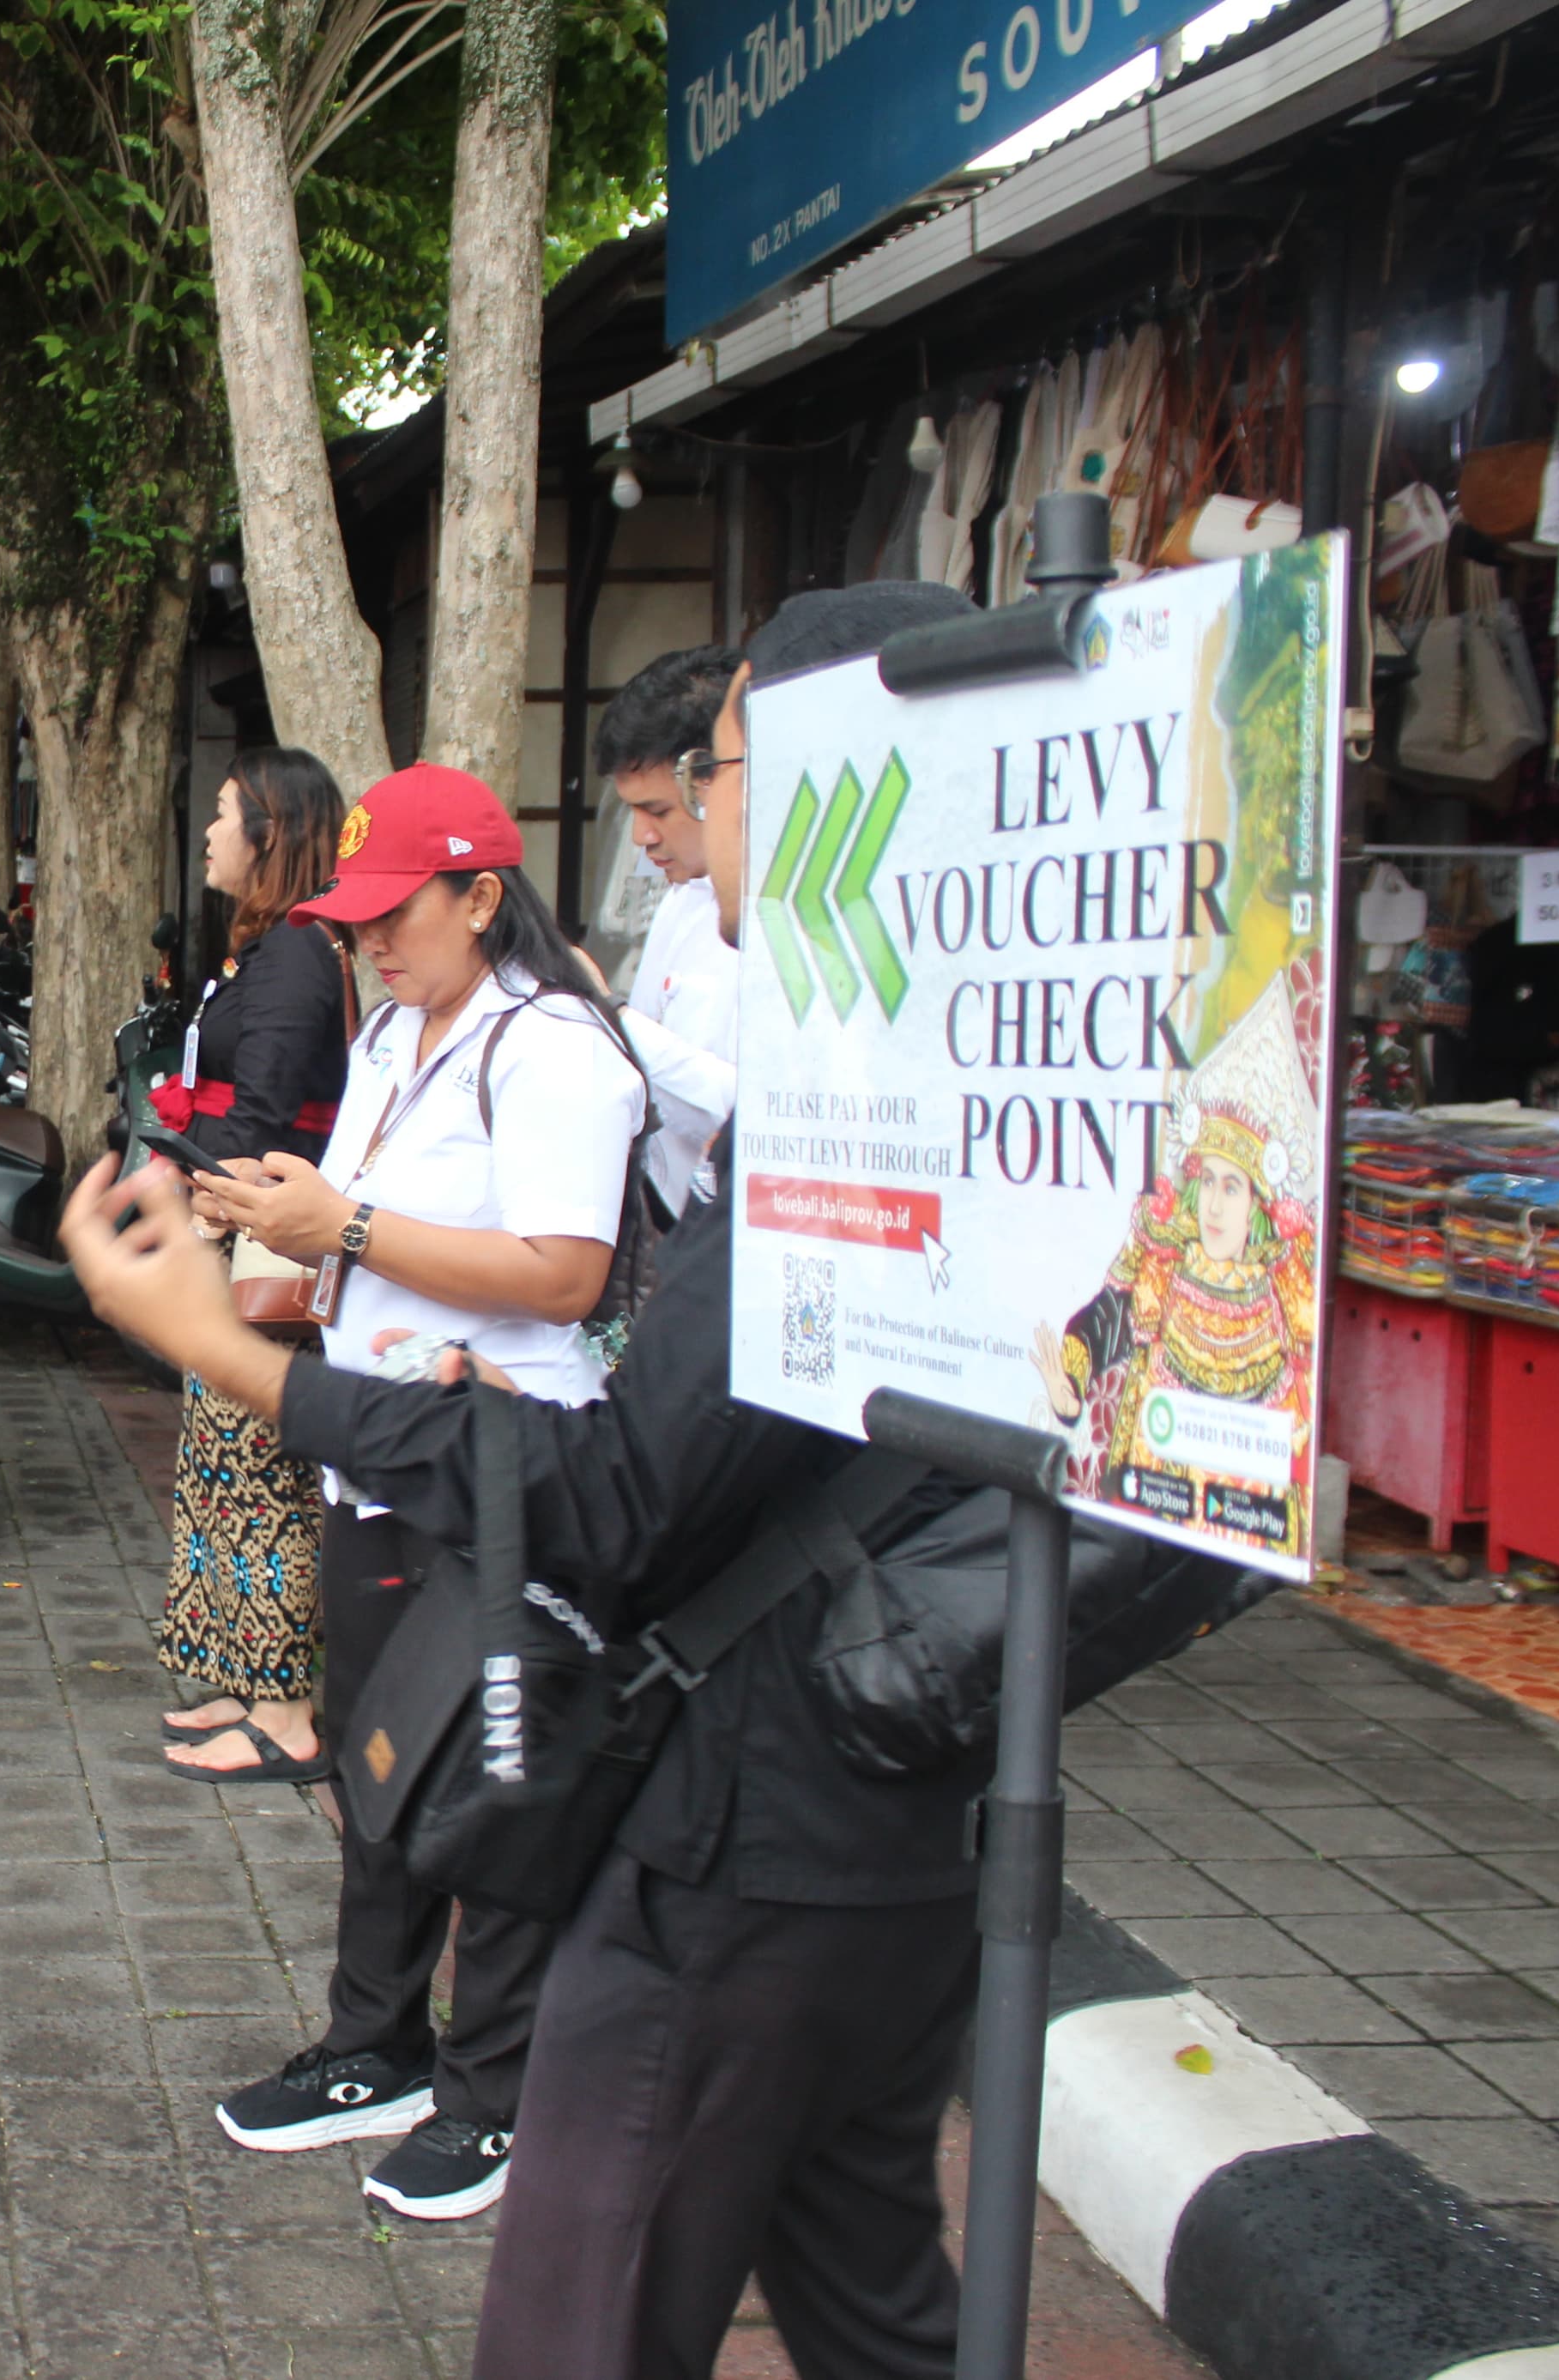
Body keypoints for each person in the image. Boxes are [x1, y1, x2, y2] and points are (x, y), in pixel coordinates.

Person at [59, 582, 990, 2380]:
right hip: (866, 1806)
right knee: (872, 2299)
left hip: (759, 1824)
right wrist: (286, 1286)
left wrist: (246, 1352)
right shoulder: (939, 1072)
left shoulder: (830, 1104)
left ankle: (465, 2083)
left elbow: (616, 1475)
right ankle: (382, 2041)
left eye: (699, 788)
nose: (682, 846)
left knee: (597, 2297)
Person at [185, 762, 644, 2226]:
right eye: (360, 916)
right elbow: (360, 1222)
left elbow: (566, 1273)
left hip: (505, 1466)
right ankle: (372, 2042)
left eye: (400, 914)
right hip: (381, 1452)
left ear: (483, 897)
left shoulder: (557, 1048)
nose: (374, 941)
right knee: (377, 1764)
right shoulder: (397, 1026)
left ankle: (496, 2090)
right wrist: (280, 1213)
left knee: (497, 1786)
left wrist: (350, 1219)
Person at [152, 748, 354, 1782]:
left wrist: (198, 1221)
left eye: (223, 815)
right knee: (219, 1465)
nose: (208, 831)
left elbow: (265, 1118)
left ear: (270, 832)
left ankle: (285, 1710)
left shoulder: (295, 955)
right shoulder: (269, 948)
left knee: (260, 1472)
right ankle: (242, 1669)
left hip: (260, 1239)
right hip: (233, 1222)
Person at [595, 645, 751, 1219]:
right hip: (665, 1216)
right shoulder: (683, 899)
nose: (641, 837)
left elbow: (754, 1112)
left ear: (713, 778)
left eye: (657, 811)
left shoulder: (797, 909)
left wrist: (608, 1010)